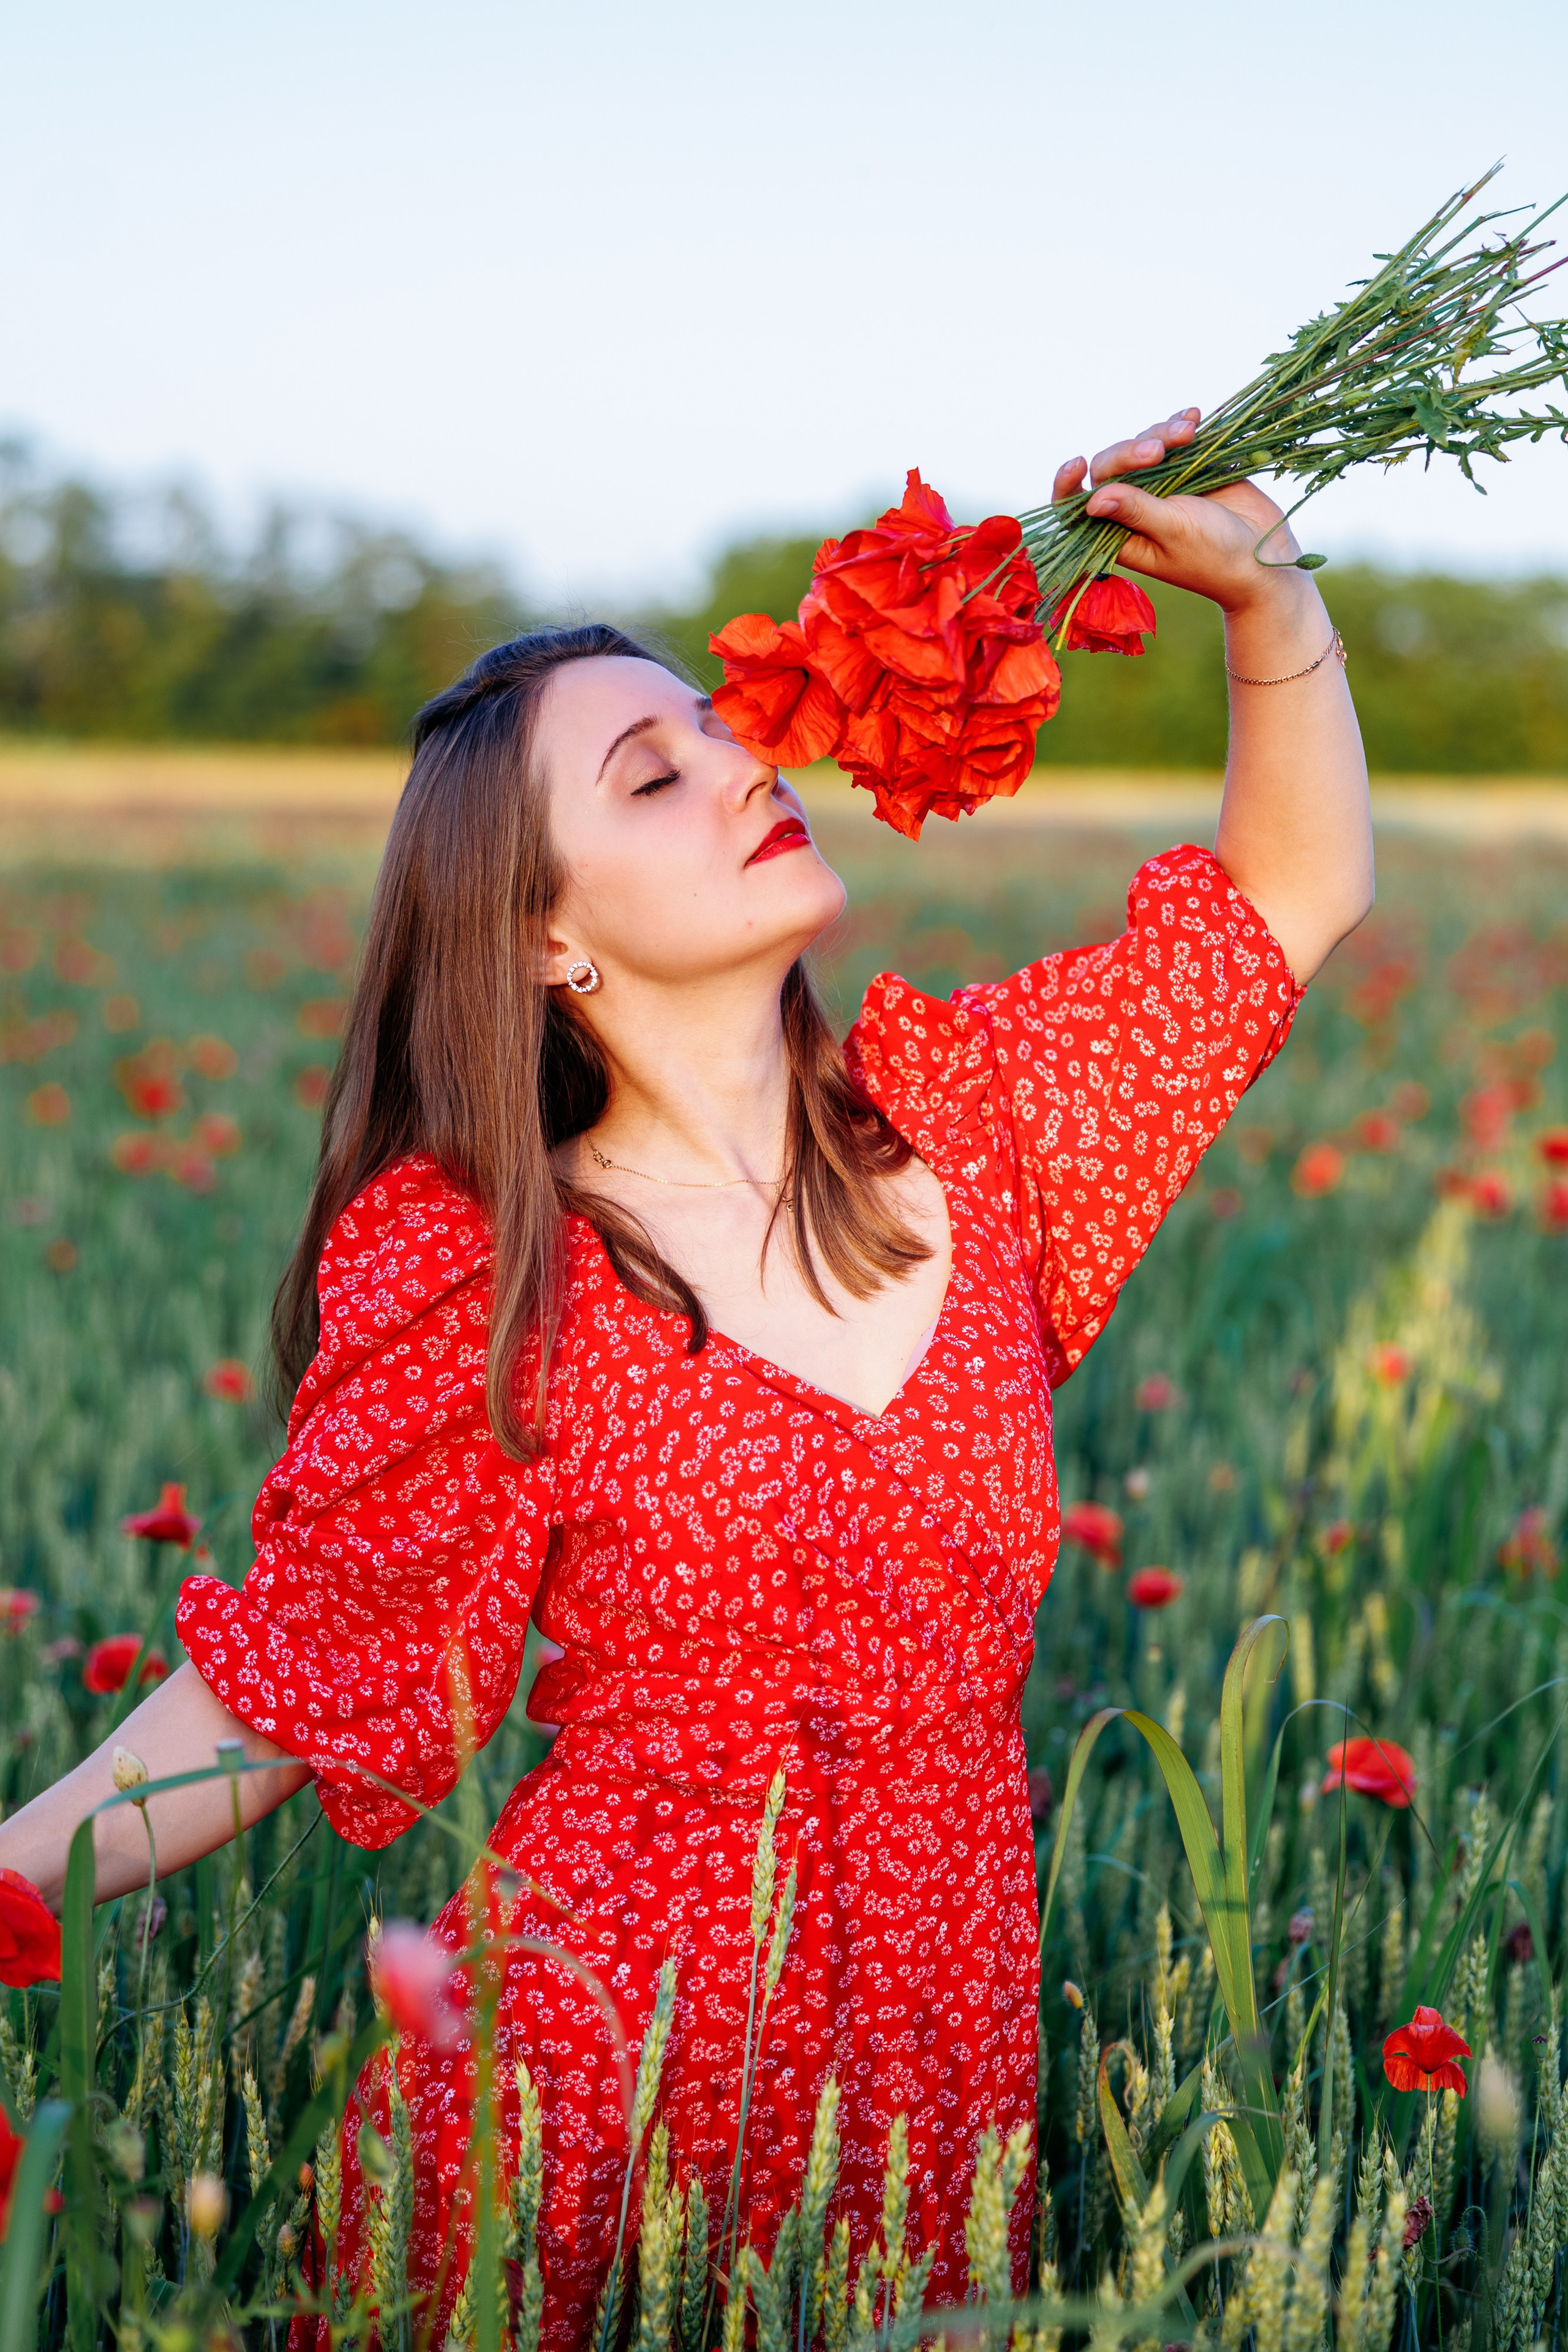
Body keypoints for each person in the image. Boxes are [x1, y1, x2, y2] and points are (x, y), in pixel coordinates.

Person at [0, 413, 1372, 2343]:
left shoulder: (976, 1135)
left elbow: (1284, 901)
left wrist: (1265, 588)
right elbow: (291, 1686)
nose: (745, 768)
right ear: (544, 934)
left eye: (725, 734)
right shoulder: (492, 1268)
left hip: (937, 2092)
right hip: (589, 2101)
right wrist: (9, 1875)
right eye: (655, 775)